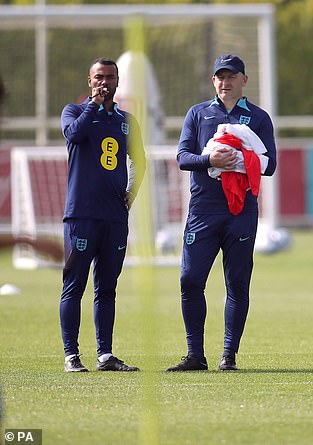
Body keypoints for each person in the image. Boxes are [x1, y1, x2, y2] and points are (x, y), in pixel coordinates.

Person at [167, 54, 277, 372]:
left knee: (237, 282)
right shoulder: (198, 113)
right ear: (213, 81)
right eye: (220, 76)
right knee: (190, 280)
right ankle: (194, 355)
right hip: (203, 209)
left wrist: (242, 160)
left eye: (232, 76)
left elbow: (270, 165)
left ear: (244, 80)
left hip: (241, 210)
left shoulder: (258, 118)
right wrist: (211, 161)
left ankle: (228, 355)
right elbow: (183, 157)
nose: (225, 82)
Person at [59, 57, 146, 372]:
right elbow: (73, 135)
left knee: (107, 287)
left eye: (110, 77)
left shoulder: (126, 121)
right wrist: (94, 105)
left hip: (114, 218)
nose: (104, 82)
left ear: (118, 80)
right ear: (89, 79)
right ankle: (71, 356)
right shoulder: (74, 111)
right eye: (99, 77)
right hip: (82, 215)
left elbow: (140, 160)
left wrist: (131, 192)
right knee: (74, 285)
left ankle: (105, 355)